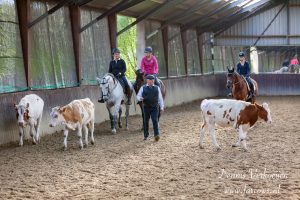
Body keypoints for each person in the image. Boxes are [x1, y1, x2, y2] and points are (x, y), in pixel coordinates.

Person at [136, 74, 164, 141]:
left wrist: (162, 107)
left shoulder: (157, 88)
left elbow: (160, 99)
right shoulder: (143, 87)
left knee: (155, 120)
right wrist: (140, 98)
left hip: (154, 107)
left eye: (152, 80)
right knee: (146, 121)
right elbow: (138, 96)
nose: (151, 81)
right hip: (146, 107)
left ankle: (156, 135)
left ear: (153, 81)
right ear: (147, 81)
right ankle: (146, 135)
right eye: (150, 80)